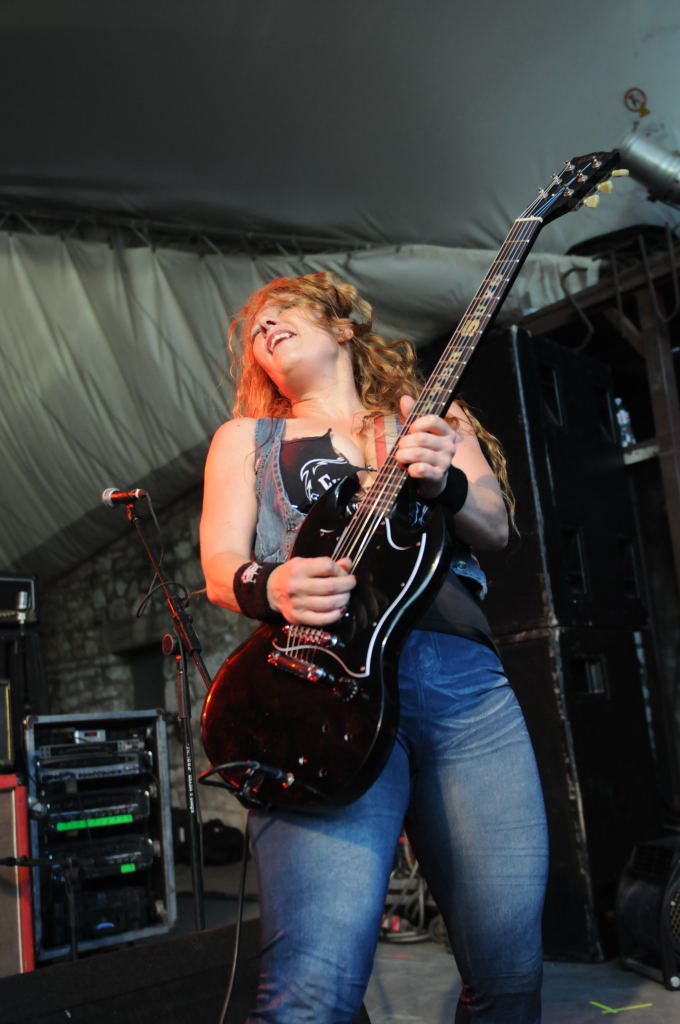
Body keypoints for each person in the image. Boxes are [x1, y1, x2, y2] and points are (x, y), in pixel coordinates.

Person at [200, 271, 548, 1024]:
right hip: (320, 697)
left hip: (465, 693)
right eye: (255, 331)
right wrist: (272, 583)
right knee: (310, 994)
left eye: (282, 314)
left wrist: (447, 482)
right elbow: (219, 565)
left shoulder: (429, 417)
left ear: (343, 327)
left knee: (511, 978)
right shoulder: (245, 440)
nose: (265, 330)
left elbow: (495, 526)